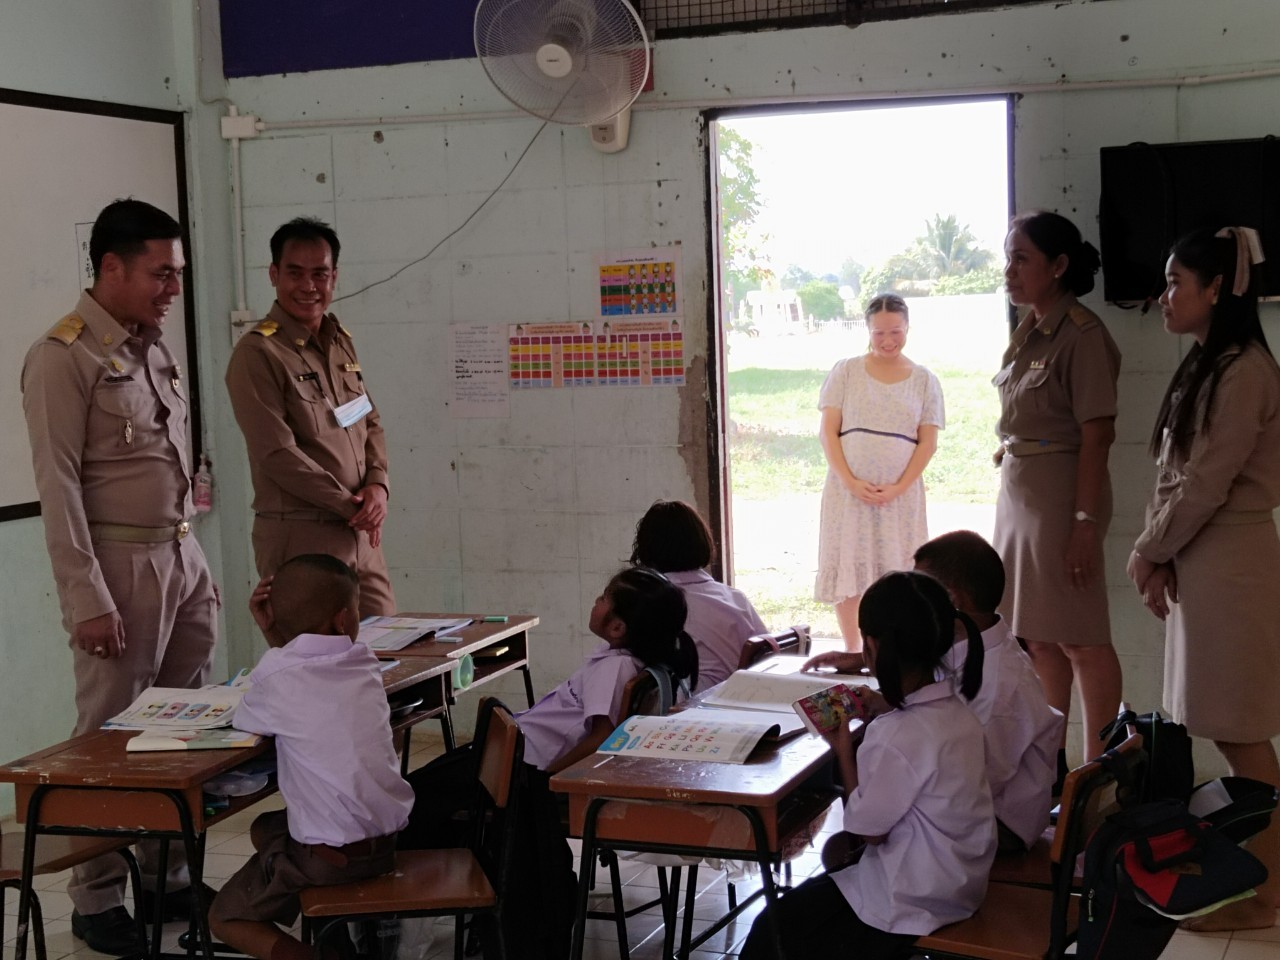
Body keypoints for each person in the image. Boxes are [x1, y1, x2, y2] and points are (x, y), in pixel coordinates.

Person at [21, 199, 218, 955]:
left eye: (177, 273)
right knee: (107, 741)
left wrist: (194, 566)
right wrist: (87, 598)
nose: (174, 288)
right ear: (111, 267)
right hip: (119, 570)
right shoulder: (61, 356)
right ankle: (95, 897)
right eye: (161, 273)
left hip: (180, 556)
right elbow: (59, 487)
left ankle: (166, 877)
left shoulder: (150, 347)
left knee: (179, 729)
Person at [400, 566, 699, 960]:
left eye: (604, 598)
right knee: (425, 789)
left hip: (527, 764)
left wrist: (552, 777)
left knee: (413, 800)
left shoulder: (615, 668)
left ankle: (406, 919)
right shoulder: (625, 660)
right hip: (521, 754)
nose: (596, 602)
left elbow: (602, 737)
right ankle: (438, 905)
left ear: (617, 627)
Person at [1127, 226, 1280, 931]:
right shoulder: (1207, 364)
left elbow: (1208, 482)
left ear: (1216, 289)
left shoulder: (1244, 370)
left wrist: (1149, 550)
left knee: (1240, 730)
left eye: (1174, 283)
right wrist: (1157, 552)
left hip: (1232, 564)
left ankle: (1269, 890)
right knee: (1223, 725)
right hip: (1202, 556)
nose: (1164, 297)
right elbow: (1174, 478)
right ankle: (1259, 874)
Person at [739, 571, 993, 960]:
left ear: (871, 646)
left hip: (909, 900)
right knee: (817, 894)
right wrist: (885, 705)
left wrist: (843, 750)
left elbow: (866, 831)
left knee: (772, 929)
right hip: (960, 882)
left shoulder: (894, 735)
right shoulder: (959, 713)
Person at [208, 554, 414, 960]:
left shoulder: (276, 674)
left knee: (224, 917)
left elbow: (249, 718)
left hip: (330, 858)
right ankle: (332, 939)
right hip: (384, 844)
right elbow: (307, 670)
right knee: (266, 828)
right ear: (343, 620)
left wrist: (274, 632)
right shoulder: (364, 662)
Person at [994, 211, 1122, 776]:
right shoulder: (1031, 329)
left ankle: (1099, 776)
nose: (1010, 270)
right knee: (1039, 639)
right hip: (1020, 498)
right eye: (1009, 258)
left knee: (1082, 640)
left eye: (1021, 258)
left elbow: (1098, 434)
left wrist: (1084, 522)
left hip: (1060, 502)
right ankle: (1048, 770)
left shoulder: (1082, 334)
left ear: (1059, 265)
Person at [225, 217, 395, 619]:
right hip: (303, 535)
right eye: (295, 273)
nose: (308, 286)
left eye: (320, 273)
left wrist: (378, 486)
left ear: (334, 277)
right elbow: (276, 454)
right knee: (315, 653)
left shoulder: (339, 341)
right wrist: (351, 506)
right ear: (273, 275)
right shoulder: (258, 353)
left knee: (388, 646)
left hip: (360, 535)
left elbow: (369, 421)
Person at [913, 530, 1062, 851]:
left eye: (920, 592)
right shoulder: (982, 639)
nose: (912, 603)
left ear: (952, 600)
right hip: (979, 797)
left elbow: (969, 788)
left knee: (881, 810)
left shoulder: (996, 687)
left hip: (999, 823)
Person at [815, 293, 944, 651]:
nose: (888, 340)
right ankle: (854, 650)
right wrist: (850, 481)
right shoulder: (846, 371)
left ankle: (891, 652)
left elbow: (928, 443)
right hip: (848, 492)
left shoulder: (924, 380)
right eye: (879, 333)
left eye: (896, 332)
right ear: (868, 330)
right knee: (850, 562)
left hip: (899, 497)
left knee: (896, 570)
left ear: (908, 328)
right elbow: (828, 432)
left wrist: (898, 487)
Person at [630, 499, 767, 691]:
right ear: (703, 541)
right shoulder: (735, 598)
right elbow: (768, 653)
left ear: (645, 548)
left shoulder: (651, 604)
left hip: (691, 702)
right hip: (739, 697)